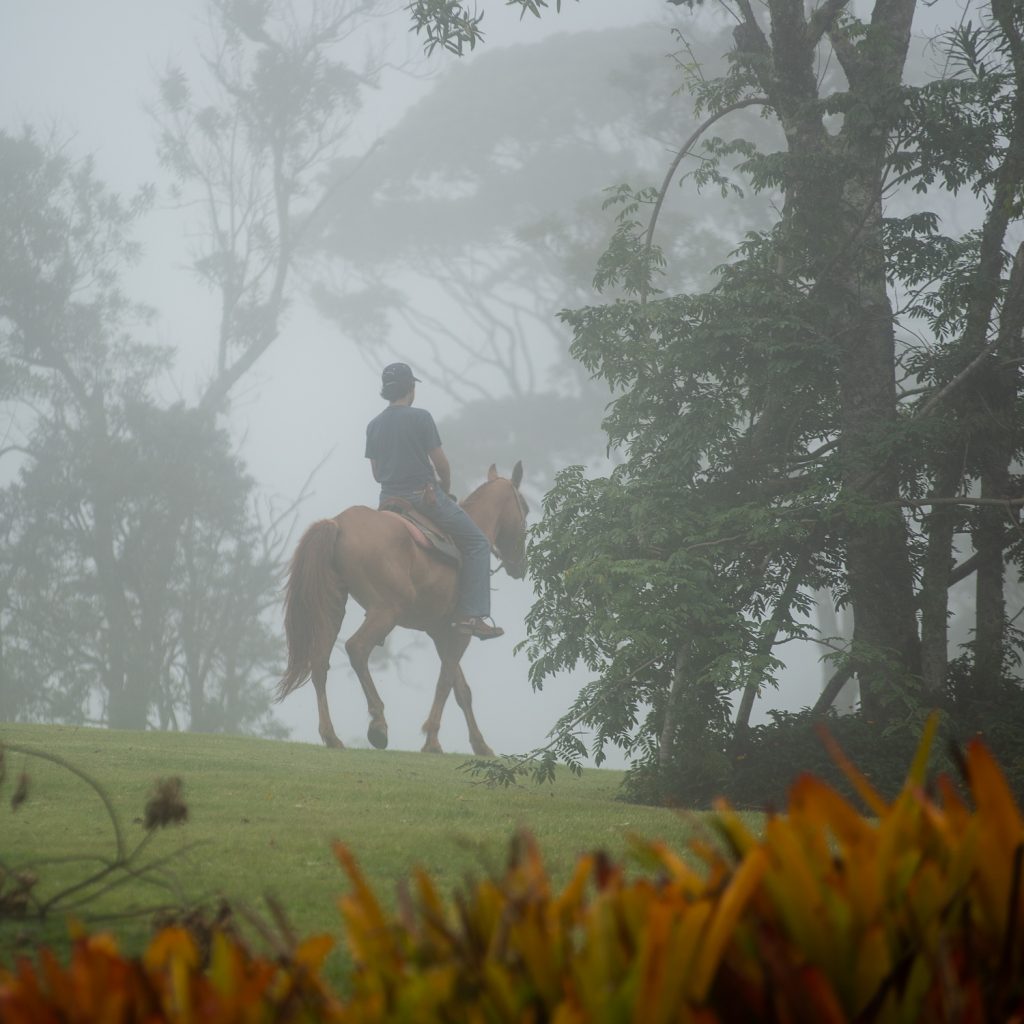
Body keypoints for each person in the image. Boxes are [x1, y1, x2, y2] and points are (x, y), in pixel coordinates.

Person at [365, 362, 504, 641]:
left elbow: (377, 473)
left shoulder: (374, 425)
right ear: (411, 388)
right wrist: (445, 488)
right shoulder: (421, 417)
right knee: (477, 543)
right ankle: (472, 616)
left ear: (386, 391)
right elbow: (441, 464)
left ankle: (374, 610)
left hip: (388, 500)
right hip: (423, 497)